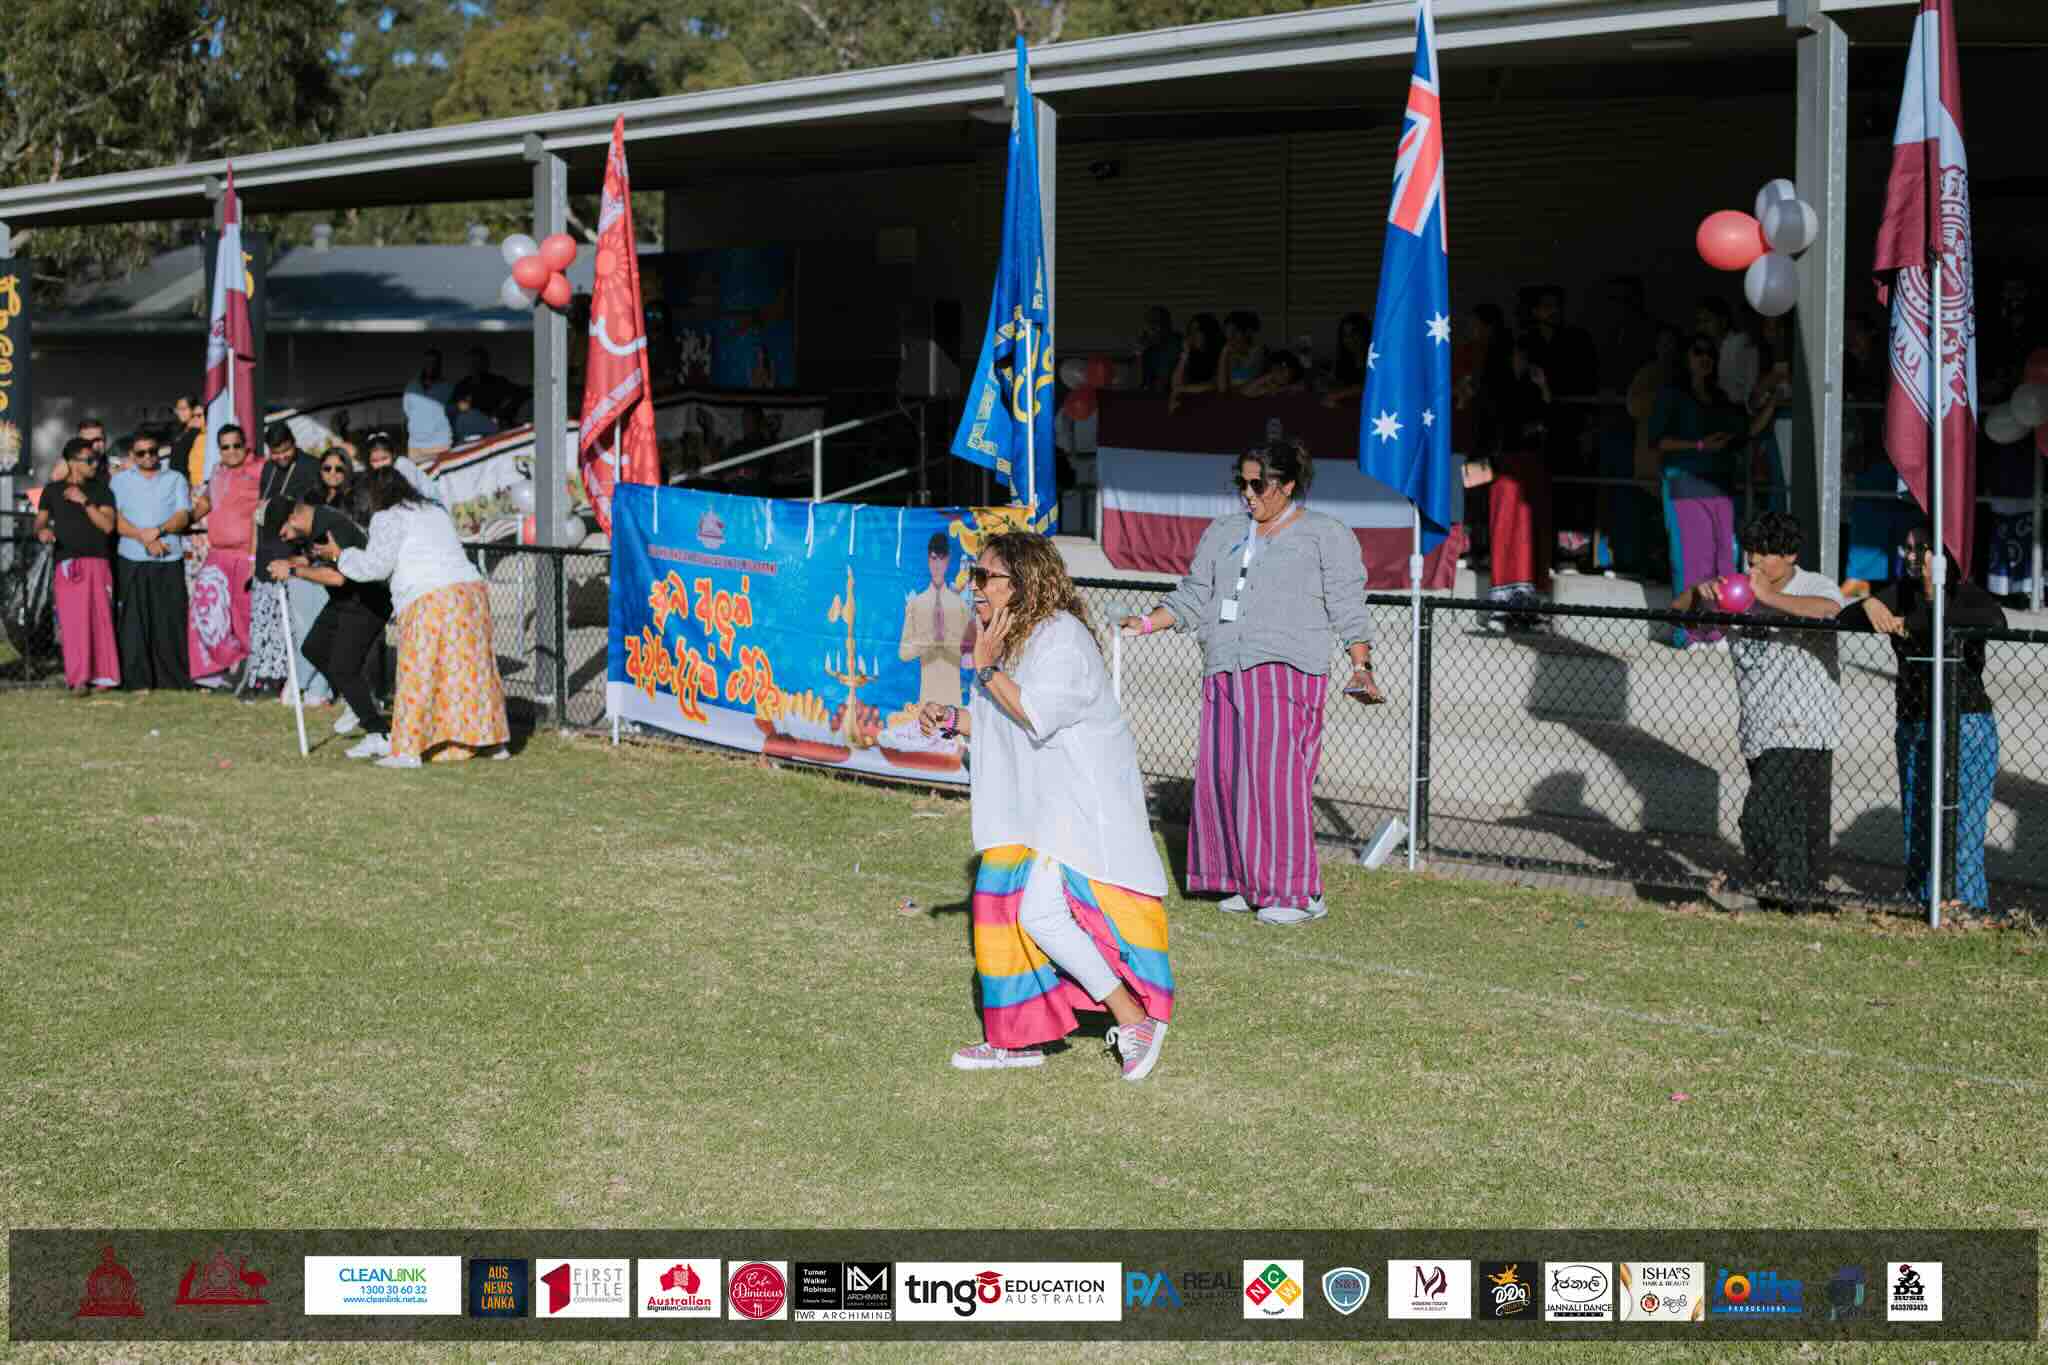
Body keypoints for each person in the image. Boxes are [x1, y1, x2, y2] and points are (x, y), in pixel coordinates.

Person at [918, 532, 1174, 1080]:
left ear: (1023, 582)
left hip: (1084, 807)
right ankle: (1020, 1038)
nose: (976, 588)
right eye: (974, 575)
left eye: (986, 577)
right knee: (1000, 909)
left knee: (1035, 913)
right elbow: (994, 723)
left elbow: (1034, 713)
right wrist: (949, 718)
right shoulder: (1007, 639)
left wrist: (986, 670)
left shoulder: (1062, 639)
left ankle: (1134, 1019)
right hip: (1041, 811)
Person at [1121, 438, 1380, 925]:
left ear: (1285, 485)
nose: (1247, 493)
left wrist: (1360, 666)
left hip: (1286, 668)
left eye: (1256, 483)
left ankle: (1300, 894)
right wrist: (1147, 623)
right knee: (1228, 779)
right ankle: (1249, 880)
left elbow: (1348, 603)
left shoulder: (1325, 534)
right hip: (1224, 666)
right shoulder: (1223, 532)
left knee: (1276, 783)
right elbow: (1194, 594)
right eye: (1240, 483)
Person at [1673, 512, 1844, 909]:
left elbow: (1829, 611)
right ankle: (1794, 903)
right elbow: (1677, 612)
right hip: (1759, 728)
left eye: (1763, 557)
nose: (1752, 566)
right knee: (1799, 828)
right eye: (1749, 557)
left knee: (1761, 817)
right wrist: (1700, 594)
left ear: (1788, 556)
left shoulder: (1813, 584)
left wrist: (1767, 598)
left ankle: (1790, 895)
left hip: (1805, 726)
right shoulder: (1736, 591)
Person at [1838, 524, 2008, 915]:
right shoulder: (1902, 591)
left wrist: (1917, 614)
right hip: (1914, 721)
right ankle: (1919, 903)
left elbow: (1994, 621)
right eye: (1908, 548)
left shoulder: (1967, 594)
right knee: (1918, 821)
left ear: (1944, 555)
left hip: (1963, 723)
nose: (1911, 557)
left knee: (1960, 831)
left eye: (1921, 550)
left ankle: (1964, 908)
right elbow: (1846, 618)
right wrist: (1869, 605)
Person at [316, 465, 509, 768]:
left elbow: (376, 566)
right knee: (473, 671)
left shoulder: (387, 517)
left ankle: (408, 750)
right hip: (470, 593)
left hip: (429, 598)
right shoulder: (433, 511)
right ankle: (491, 741)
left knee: (418, 672)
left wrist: (341, 556)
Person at [1651, 335, 1780, 645]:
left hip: (1721, 485)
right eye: (1698, 351)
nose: (1705, 357)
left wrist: (1773, 401)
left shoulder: (1721, 397)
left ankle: (1721, 630)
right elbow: (1657, 441)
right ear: (1687, 358)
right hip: (1685, 481)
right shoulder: (1672, 395)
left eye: (1710, 352)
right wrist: (1699, 445)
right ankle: (1689, 633)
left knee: (1724, 559)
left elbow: (1746, 431)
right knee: (1691, 560)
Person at [264, 495, 395, 759]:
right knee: (314, 648)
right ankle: (359, 700)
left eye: (285, 532)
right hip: (346, 600)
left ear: (294, 517)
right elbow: (324, 563)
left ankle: (379, 734)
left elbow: (337, 577)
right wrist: (301, 563)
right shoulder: (312, 526)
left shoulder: (329, 527)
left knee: (342, 667)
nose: (287, 538)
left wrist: (292, 572)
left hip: (368, 601)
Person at [247, 422, 331, 703]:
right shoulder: (269, 469)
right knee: (266, 620)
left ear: (294, 444)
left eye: (286, 451)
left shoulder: (310, 467)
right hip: (266, 551)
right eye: (276, 453)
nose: (281, 458)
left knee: (296, 624)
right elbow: (259, 510)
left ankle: (299, 682)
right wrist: (252, 554)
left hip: (294, 553)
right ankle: (266, 675)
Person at [107, 430, 193, 690]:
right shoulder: (120, 481)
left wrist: (158, 531)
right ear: (132, 455)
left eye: (152, 451)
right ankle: (136, 679)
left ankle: (172, 679)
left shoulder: (175, 478)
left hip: (169, 557)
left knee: (169, 620)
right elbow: (116, 520)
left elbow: (183, 516)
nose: (147, 457)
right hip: (132, 558)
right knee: (134, 622)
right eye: (141, 453)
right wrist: (145, 538)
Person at [33, 437, 120, 693]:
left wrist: (84, 501)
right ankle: (79, 678)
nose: (94, 464)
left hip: (98, 561)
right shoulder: (51, 491)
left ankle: (104, 677)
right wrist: (42, 532)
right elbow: (40, 521)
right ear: (71, 462)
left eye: (96, 459)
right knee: (73, 623)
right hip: (67, 563)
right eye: (88, 460)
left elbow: (107, 526)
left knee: (100, 619)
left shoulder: (102, 490)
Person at [1483, 335, 1556, 629]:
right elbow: (1492, 428)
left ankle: (1530, 609)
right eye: (1516, 355)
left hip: (1533, 469)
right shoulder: (1495, 389)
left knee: (1532, 536)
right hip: (1504, 470)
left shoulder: (1535, 390)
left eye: (1525, 356)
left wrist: (1544, 388)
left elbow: (1550, 423)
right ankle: (1500, 609)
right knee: (1504, 534)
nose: (1521, 361)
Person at [185, 423, 264, 688]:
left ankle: (253, 672)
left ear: (246, 446)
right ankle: (217, 670)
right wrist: (186, 519)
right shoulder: (217, 471)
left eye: (236, 445)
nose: (231, 452)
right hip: (217, 555)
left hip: (246, 556)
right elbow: (207, 501)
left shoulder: (260, 469)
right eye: (225, 447)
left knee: (245, 615)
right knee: (206, 612)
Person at [898, 531, 975, 708]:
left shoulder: (961, 606)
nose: (937, 565)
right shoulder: (916, 604)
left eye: (941, 558)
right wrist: (928, 639)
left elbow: (969, 656)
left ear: (948, 560)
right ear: (928, 560)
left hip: (954, 703)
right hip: (926, 702)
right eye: (933, 558)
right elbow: (903, 653)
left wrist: (950, 641)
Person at [1696, 296, 1760, 409]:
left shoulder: (1741, 343)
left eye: (1707, 321)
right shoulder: (1706, 351)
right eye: (1699, 322)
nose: (1702, 327)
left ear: (1723, 321)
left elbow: (1742, 396)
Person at [402, 348, 455, 462]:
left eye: (435, 363)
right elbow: (407, 414)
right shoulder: (411, 387)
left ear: (439, 366)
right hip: (415, 448)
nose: (431, 366)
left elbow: (453, 416)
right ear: (424, 364)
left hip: (441, 446)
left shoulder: (448, 388)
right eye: (428, 362)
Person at [1168, 313, 1223, 414]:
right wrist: (1185, 355)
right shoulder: (1191, 356)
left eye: (1197, 330)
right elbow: (1175, 384)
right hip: (1192, 401)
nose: (1192, 335)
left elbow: (1214, 385)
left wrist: (1183, 389)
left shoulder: (1220, 353)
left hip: (1213, 403)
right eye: (1190, 331)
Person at [361, 429, 436, 501]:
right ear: (369, 462)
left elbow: (413, 492)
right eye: (374, 461)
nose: (380, 464)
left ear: (393, 455)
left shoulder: (402, 465)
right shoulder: (370, 474)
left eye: (384, 458)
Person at [1323, 311, 1373, 408]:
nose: (1350, 339)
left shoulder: (1378, 359)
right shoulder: (1342, 362)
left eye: (1354, 334)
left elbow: (1372, 386)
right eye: (1345, 335)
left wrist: (1340, 394)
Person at [1217, 310, 1266, 395]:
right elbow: (1222, 388)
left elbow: (1245, 387)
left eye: (1234, 333)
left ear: (1247, 332)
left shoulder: (1258, 352)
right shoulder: (1229, 353)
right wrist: (1224, 355)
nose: (1230, 340)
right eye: (1227, 334)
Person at [1136, 305, 1180, 393]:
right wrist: (1139, 352)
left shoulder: (1174, 344)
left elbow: (1161, 384)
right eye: (1148, 323)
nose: (1149, 328)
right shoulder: (1149, 347)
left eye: (1155, 322)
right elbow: (1137, 382)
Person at [170, 395, 206, 485]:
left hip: (188, 483)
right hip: (175, 480)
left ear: (193, 409)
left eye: (183, 409)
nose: (179, 412)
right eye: (177, 409)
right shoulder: (182, 429)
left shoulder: (198, 433)